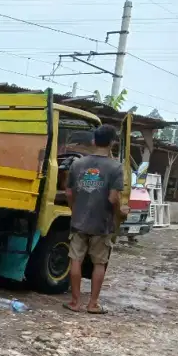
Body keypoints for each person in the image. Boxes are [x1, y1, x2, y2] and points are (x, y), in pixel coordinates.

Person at [64, 125, 128, 314]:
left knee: (75, 260)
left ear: (93, 141)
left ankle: (75, 302)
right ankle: (92, 304)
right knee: (99, 263)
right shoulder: (115, 167)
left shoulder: (78, 164)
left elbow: (68, 192)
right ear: (112, 143)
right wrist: (120, 213)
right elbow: (113, 198)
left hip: (79, 221)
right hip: (102, 223)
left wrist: (74, 209)